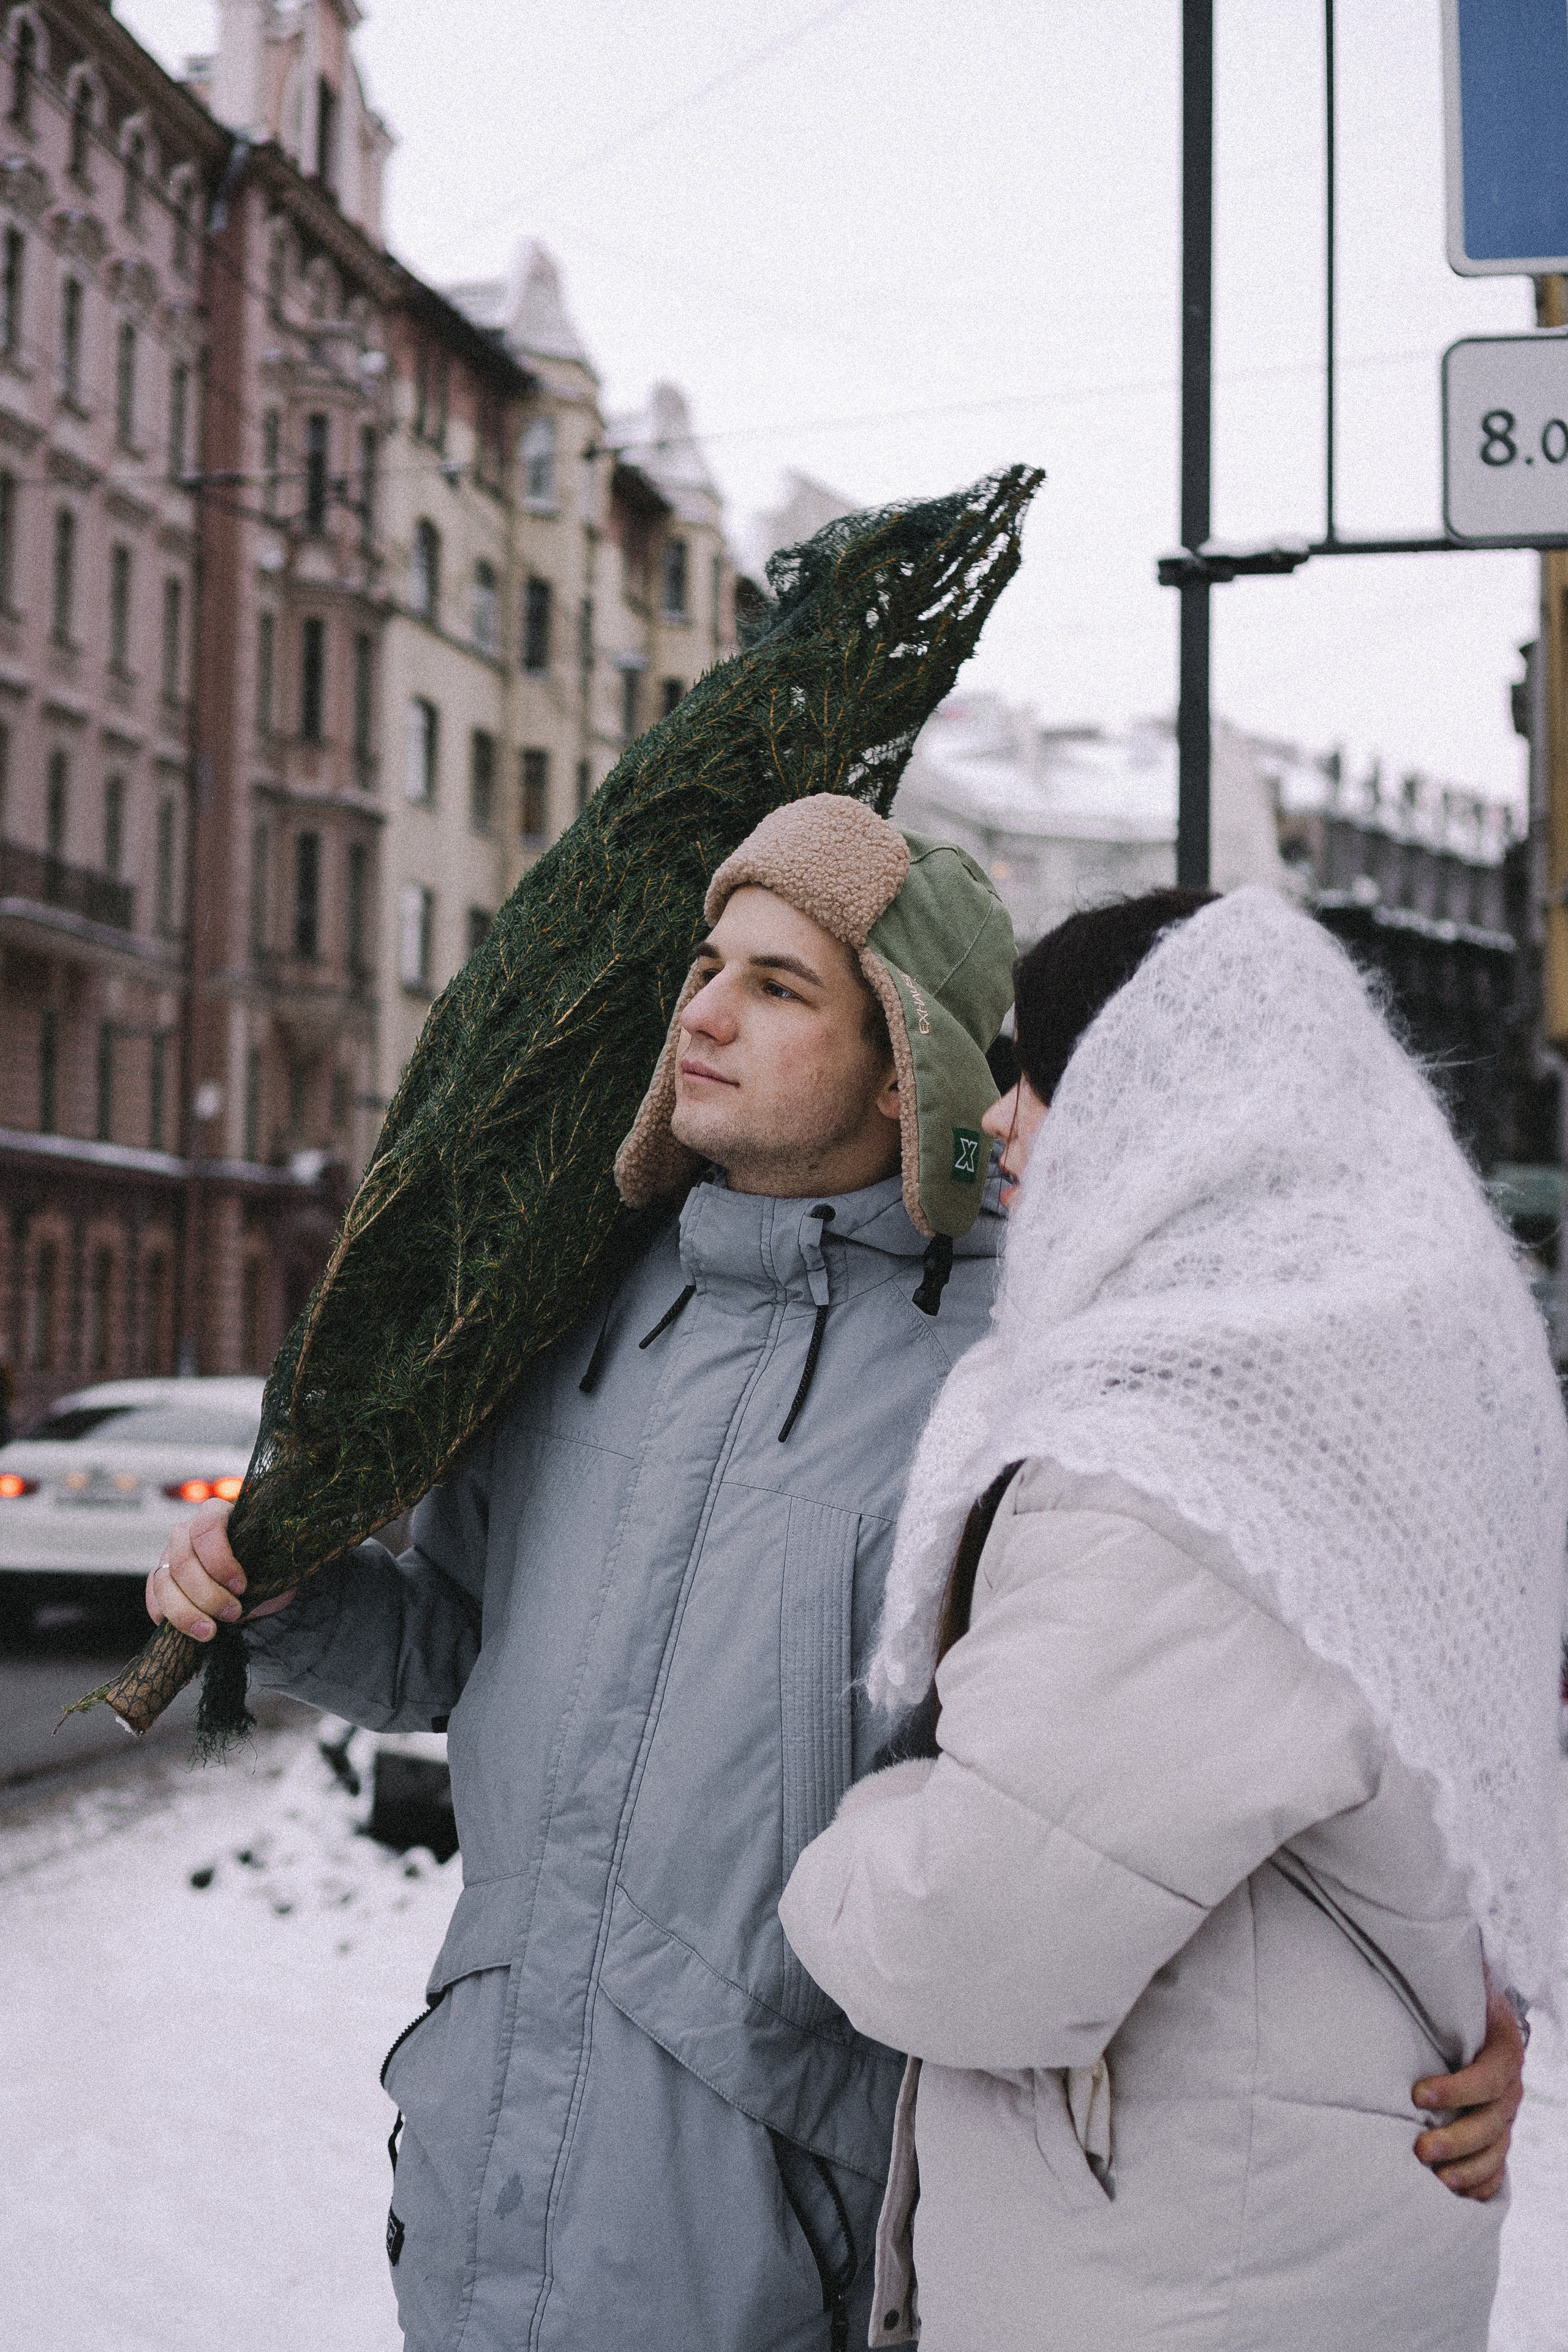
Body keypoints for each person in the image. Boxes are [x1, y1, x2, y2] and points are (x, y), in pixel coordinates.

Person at [151, 863, 1527, 2352]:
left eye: (777, 985)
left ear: (906, 1065)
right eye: (705, 965)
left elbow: (1246, 1740)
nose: (705, 1013)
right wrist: (288, 1599)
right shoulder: (566, 1320)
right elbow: (453, 1649)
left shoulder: (1024, 1370)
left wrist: (1446, 1997)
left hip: (781, 2233)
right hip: (484, 2177)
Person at [780, 886, 1563, 2351]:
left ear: (1164, 1104)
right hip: (1302, 2218)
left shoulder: (1176, 1460)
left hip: (1180, 2262)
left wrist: (847, 1845)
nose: (1002, 1121)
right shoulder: (1390, 1381)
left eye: (1040, 1073)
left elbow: (976, 1939)